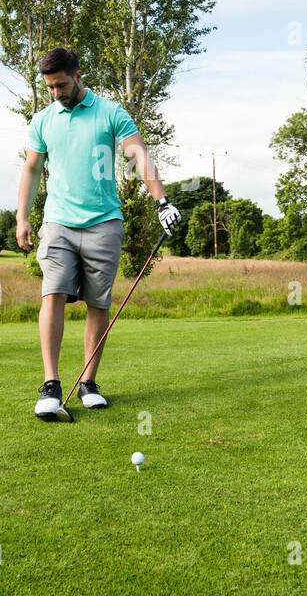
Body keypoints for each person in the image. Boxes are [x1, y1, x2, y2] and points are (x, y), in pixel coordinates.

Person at [15, 47, 182, 421]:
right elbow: (31, 170)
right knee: (53, 293)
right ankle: (51, 385)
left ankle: (88, 383)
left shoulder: (110, 112)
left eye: (61, 85)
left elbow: (138, 155)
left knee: (98, 303)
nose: (56, 93)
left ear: (78, 75)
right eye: (50, 87)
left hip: (104, 222)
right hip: (58, 222)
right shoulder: (42, 120)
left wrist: (162, 202)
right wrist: (22, 217)